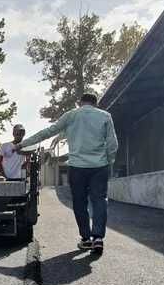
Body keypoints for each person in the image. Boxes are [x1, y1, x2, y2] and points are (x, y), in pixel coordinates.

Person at [15, 93, 118, 253]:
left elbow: (47, 132)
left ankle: (86, 239)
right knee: (99, 200)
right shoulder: (105, 116)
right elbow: (112, 144)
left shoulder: (71, 115)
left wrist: (22, 144)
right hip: (99, 166)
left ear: (80, 102)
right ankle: (98, 238)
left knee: (79, 202)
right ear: (95, 104)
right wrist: (108, 161)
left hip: (77, 167)